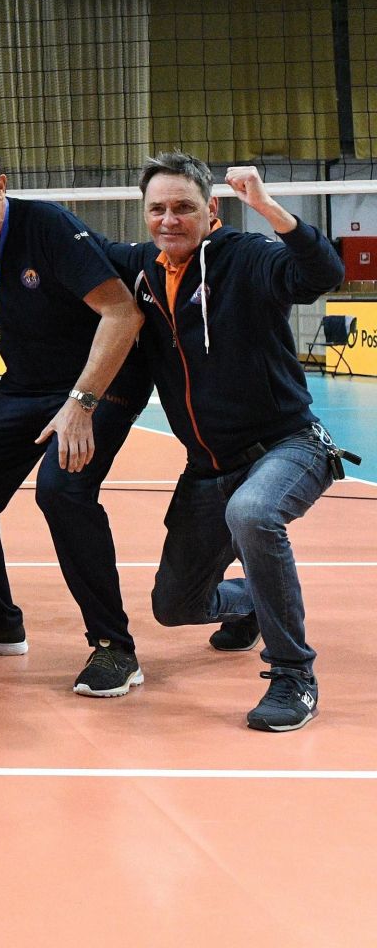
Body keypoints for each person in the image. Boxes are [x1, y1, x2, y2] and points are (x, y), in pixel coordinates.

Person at [104, 157, 346, 731]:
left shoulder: (247, 256)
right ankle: (256, 599)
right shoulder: (141, 268)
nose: (168, 219)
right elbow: (64, 245)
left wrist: (267, 208)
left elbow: (321, 274)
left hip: (287, 446)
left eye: (183, 207)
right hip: (207, 468)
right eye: (157, 209)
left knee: (254, 511)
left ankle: (293, 675)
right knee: (174, 607)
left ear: (211, 209)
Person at [0, 132, 148, 698]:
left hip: (102, 382)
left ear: (0, 185)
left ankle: (114, 647)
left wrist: (81, 404)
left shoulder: (46, 226)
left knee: (62, 492)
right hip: (27, 382)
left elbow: (123, 314)